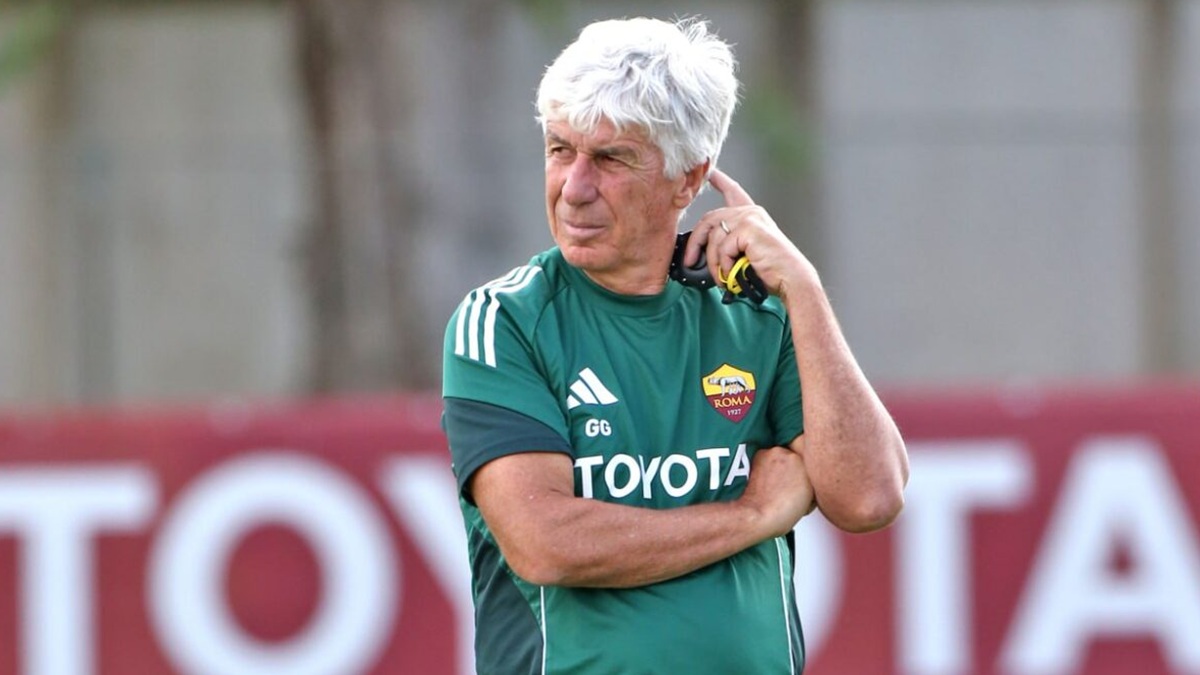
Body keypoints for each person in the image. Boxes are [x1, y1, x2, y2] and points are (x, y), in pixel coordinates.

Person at [442, 16, 908, 674]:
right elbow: (546, 541)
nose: (573, 188)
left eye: (610, 159)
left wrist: (802, 287)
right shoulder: (504, 320)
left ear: (689, 180)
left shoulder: (759, 312)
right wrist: (754, 513)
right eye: (560, 149)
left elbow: (869, 499)